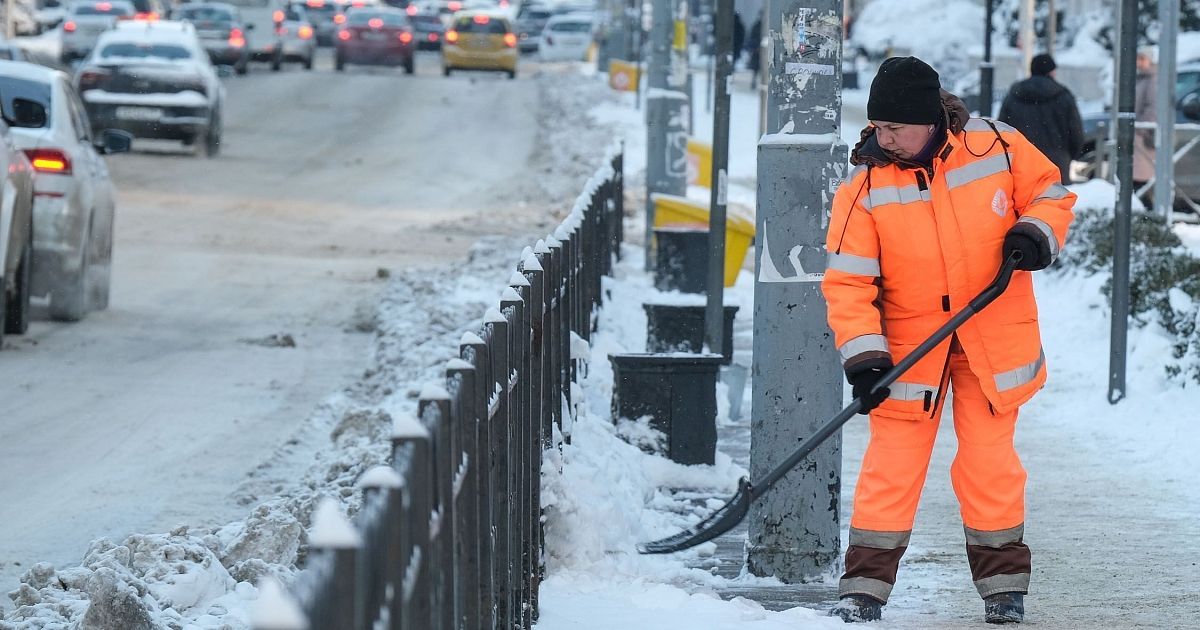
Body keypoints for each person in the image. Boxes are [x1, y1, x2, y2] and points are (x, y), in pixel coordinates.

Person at [821, 56, 1075, 624]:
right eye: (877, 128)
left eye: (895, 129)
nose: (883, 139)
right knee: (892, 465)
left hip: (993, 337)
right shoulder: (864, 183)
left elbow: (1051, 194)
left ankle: (1004, 587)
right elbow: (848, 280)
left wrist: (1034, 234)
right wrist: (863, 356)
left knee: (989, 463)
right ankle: (864, 587)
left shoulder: (997, 148)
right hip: (911, 345)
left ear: (930, 118)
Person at [998, 53, 1084, 183]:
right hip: (1056, 162)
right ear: (1051, 72)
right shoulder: (1063, 96)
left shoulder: (1015, 95)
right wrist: (1069, 155)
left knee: (1023, 201)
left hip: (1021, 162)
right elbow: (1075, 131)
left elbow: (1002, 129)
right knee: (1053, 201)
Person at [1133, 48, 1157, 189]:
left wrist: (1140, 128)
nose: (1138, 63)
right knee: (1138, 174)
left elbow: (1153, 107)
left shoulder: (1152, 80)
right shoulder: (1142, 78)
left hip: (1144, 134)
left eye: (1142, 59)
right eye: (1137, 59)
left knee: (1142, 176)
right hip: (1140, 132)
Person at [746, 14, 761, 87]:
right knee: (756, 68)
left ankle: (754, 82)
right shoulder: (758, 26)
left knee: (756, 68)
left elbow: (751, 38)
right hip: (757, 51)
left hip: (756, 50)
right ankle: (755, 82)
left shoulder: (756, 26)